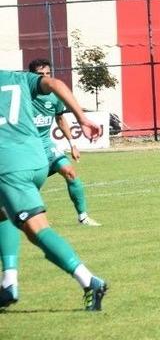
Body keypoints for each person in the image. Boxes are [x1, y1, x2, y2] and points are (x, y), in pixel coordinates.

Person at [0, 68, 108, 311]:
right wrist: (82, 118)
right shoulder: (17, 77)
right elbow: (57, 84)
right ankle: (8, 283)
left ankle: (90, 281)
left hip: (9, 166)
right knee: (2, 213)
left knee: (37, 230)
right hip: (36, 159)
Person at [27, 59, 101, 226]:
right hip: (27, 148)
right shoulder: (23, 96)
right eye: (40, 75)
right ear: (31, 77)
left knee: (70, 172)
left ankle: (83, 217)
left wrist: (72, 144)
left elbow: (60, 119)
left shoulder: (54, 96)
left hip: (47, 145)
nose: (45, 78)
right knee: (29, 187)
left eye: (47, 74)